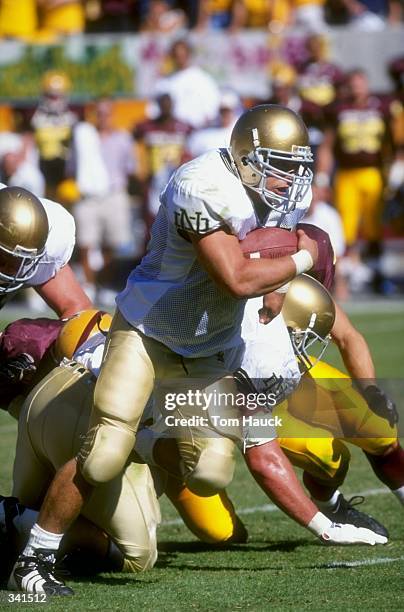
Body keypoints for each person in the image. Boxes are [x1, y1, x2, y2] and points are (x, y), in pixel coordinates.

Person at [10, 104, 386, 596]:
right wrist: (303, 257)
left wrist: (288, 268)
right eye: (280, 163)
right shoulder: (201, 185)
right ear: (248, 157)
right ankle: (34, 557)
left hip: (210, 348)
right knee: (103, 452)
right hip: (148, 330)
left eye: (298, 165)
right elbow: (236, 279)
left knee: (210, 471)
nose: (291, 178)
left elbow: (274, 263)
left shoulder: (278, 191)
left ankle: (145, 436)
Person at [0, 184, 91, 317]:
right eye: (2, 258)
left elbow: (79, 312)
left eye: (17, 262)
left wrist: (41, 334)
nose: (8, 269)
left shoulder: (49, 244)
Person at [153, 38, 221, 129]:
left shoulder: (202, 79)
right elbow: (154, 110)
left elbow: (212, 108)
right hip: (171, 134)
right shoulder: (164, 83)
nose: (179, 58)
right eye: (176, 55)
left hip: (197, 131)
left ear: (188, 55)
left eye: (182, 55)